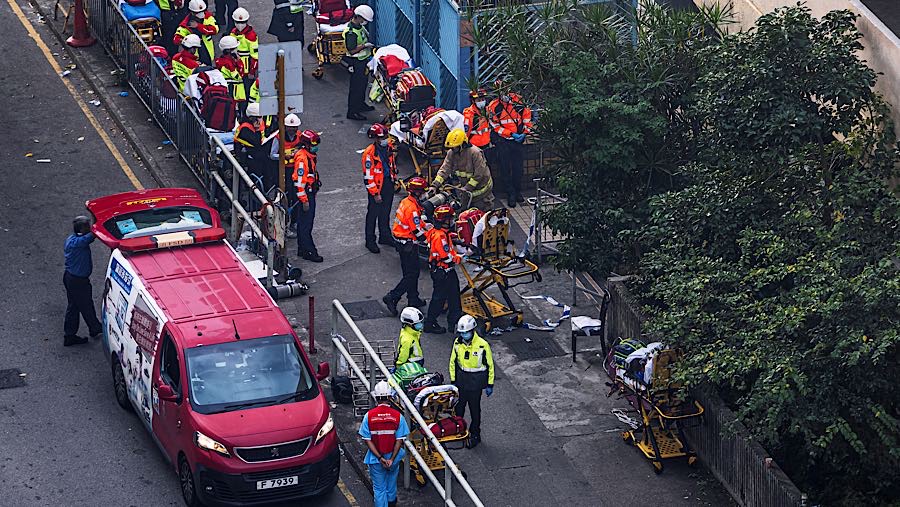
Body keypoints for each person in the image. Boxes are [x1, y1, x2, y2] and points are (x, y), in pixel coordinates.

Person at [382, 176, 429, 316]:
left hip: (401, 242)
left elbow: (415, 223)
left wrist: (426, 226)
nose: (425, 194)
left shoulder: (407, 202)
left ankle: (413, 298)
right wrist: (431, 238)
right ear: (417, 192)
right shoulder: (412, 208)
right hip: (407, 244)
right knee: (412, 274)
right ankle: (392, 297)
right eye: (422, 191)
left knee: (409, 272)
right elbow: (417, 232)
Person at [359, 381, 409, 507]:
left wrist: (380, 458)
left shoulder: (368, 416)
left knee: (379, 489)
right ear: (390, 397)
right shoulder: (398, 417)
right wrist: (391, 459)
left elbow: (367, 440)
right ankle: (392, 503)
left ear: (376, 397)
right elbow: (399, 440)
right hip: (394, 458)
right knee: (391, 483)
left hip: (376, 460)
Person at [448, 314, 494, 448]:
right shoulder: (457, 343)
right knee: (459, 407)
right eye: (462, 333)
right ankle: (459, 429)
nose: (463, 335)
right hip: (461, 381)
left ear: (472, 330)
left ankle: (475, 434)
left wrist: (489, 384)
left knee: (475, 410)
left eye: (466, 332)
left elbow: (490, 366)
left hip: (475, 384)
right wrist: (453, 381)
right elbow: (453, 362)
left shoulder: (482, 345)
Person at [488, 83, 532, 208]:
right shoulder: (494, 106)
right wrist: (510, 133)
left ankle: (517, 191)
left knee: (518, 168)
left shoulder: (519, 101)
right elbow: (495, 126)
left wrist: (524, 133)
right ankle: (510, 193)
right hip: (503, 141)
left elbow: (527, 119)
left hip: (517, 141)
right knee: (505, 168)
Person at [431, 128, 494, 211]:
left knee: (482, 213)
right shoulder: (452, 153)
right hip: (467, 190)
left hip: (482, 190)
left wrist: (467, 187)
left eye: (455, 147)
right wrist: (435, 185)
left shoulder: (475, 153)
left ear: (463, 144)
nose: (453, 150)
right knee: (464, 213)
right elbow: (445, 168)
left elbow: (479, 175)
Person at [423, 204, 462, 334]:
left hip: (442, 271)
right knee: (442, 298)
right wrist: (462, 257)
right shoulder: (440, 237)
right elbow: (447, 257)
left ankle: (453, 320)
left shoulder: (438, 233)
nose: (452, 221)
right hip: (444, 271)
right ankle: (431, 323)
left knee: (451, 296)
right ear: (444, 220)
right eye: (450, 219)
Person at [63, 216, 102, 347]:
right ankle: (95, 328)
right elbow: (93, 235)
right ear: (81, 228)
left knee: (74, 306)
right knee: (86, 305)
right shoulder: (79, 242)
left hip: (71, 278)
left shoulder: (72, 239)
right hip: (78, 281)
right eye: (87, 226)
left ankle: (70, 335)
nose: (89, 228)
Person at [362, 123, 397, 254]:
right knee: (373, 214)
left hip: (388, 183)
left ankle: (385, 236)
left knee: (385, 212)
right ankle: (370, 240)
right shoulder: (369, 154)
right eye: (383, 137)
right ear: (376, 139)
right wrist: (375, 193)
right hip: (376, 187)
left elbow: (391, 164)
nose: (386, 139)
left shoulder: (388, 148)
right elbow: (368, 176)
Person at [270, 113, 304, 237]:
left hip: (295, 170)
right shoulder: (278, 138)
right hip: (283, 172)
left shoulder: (300, 136)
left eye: (295, 127)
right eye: (291, 127)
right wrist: (284, 156)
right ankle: (284, 225)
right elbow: (272, 155)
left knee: (296, 197)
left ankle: (294, 222)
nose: (293, 130)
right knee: (285, 199)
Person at [293, 129, 323, 262]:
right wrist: (304, 200)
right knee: (306, 224)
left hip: (309, 192)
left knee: (302, 223)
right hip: (306, 194)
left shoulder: (307, 155)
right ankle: (309, 251)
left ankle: (302, 248)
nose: (316, 146)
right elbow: (299, 183)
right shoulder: (302, 159)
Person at [234, 103, 273, 197]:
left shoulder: (255, 125)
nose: (261, 119)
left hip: (256, 155)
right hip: (247, 157)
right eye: (259, 117)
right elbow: (256, 142)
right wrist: (258, 129)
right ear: (252, 117)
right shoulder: (245, 128)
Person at [343, 5, 375, 121]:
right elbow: (351, 50)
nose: (365, 22)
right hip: (355, 62)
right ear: (359, 17)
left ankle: (361, 104)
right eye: (364, 19)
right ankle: (353, 111)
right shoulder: (351, 32)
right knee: (356, 88)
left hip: (362, 61)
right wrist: (364, 46)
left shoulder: (358, 27)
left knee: (362, 85)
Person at [173, 0, 218, 65]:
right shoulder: (186, 24)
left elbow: (214, 30)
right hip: (195, 56)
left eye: (202, 11)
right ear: (192, 12)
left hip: (207, 52)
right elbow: (176, 39)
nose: (201, 14)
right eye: (198, 12)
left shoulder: (208, 17)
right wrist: (188, 41)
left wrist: (198, 26)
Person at [215, 35, 247, 115]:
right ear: (230, 50)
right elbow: (240, 75)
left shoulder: (225, 60)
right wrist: (239, 62)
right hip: (233, 92)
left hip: (233, 92)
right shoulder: (227, 64)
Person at [230, 8, 258, 96]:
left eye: (242, 22)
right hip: (235, 67)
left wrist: (252, 72)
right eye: (237, 22)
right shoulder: (233, 33)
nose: (240, 25)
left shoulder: (251, 36)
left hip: (246, 70)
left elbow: (255, 57)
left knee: (247, 92)